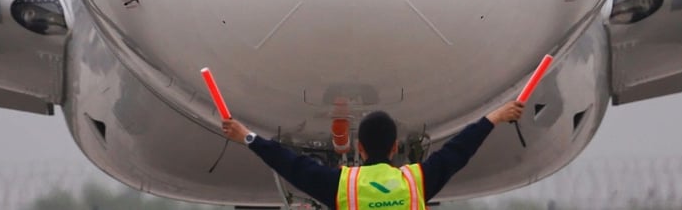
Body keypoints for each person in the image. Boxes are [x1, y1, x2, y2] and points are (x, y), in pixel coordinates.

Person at [222, 100, 525, 209]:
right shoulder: (415, 182)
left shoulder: (345, 186)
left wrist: (247, 136)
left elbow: (291, 165)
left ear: (360, 148)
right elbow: (458, 151)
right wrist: (495, 117)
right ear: (394, 147)